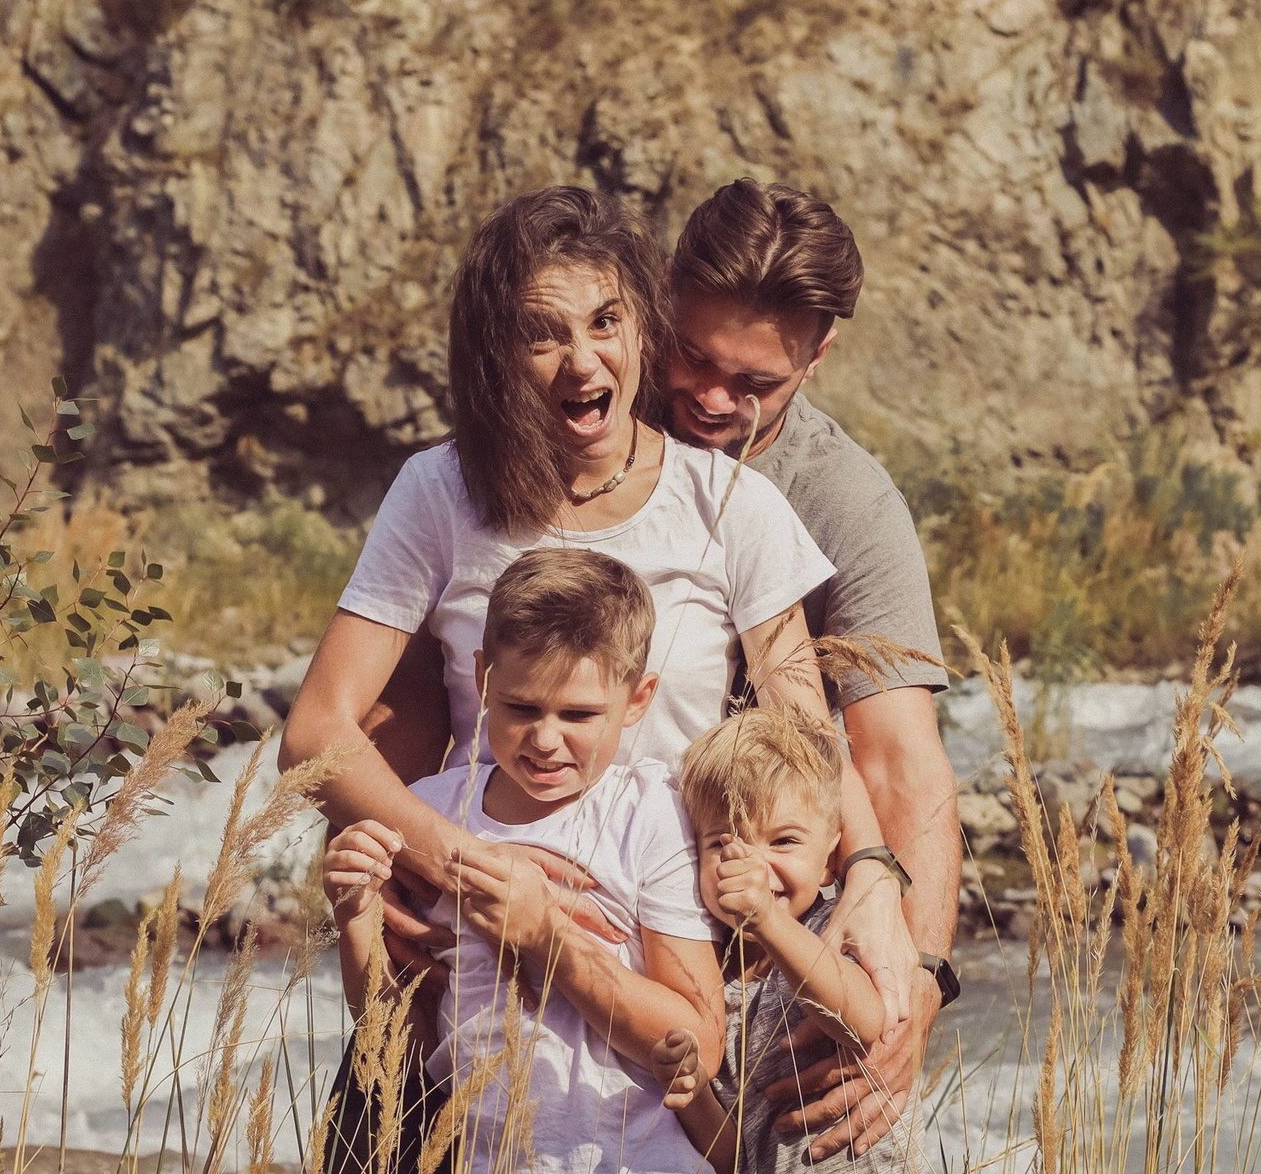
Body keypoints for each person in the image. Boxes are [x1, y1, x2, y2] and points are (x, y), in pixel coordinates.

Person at [277, 185, 920, 1011]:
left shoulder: (731, 502)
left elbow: (805, 736)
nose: (583, 361)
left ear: (641, 323)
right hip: (485, 960)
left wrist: (869, 869)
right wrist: (455, 866)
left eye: (604, 323)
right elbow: (316, 730)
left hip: (678, 960)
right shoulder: (439, 491)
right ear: (495, 353)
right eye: (541, 336)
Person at [320, 549, 726, 1174]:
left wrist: (549, 944)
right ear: (481, 683)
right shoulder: (432, 814)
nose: (546, 738)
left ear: (638, 699)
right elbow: (395, 1036)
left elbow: (694, 1039)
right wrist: (354, 921)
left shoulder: (651, 817)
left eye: (579, 714)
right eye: (521, 709)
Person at [661, 179, 965, 1165]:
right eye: (693, 358)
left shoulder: (846, 502)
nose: (712, 399)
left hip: (756, 917)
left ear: (819, 354)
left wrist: (913, 987)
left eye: (754, 386)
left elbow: (899, 761)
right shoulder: (583, 419)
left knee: (847, 1088)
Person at [653, 708, 948, 1174]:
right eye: (724, 845)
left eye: (782, 842)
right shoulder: (708, 980)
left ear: (831, 856)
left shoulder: (838, 931)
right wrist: (690, 1094)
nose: (753, 864)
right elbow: (734, 1159)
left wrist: (772, 924)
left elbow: (862, 1016)